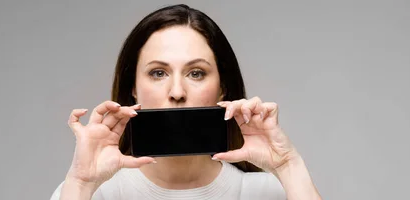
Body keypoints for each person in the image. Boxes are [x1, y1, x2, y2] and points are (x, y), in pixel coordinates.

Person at [50, 4, 321, 200]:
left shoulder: (270, 192)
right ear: (133, 87)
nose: (177, 91)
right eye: (158, 73)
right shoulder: (89, 192)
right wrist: (82, 182)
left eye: (196, 73)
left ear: (222, 88)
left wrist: (288, 165)